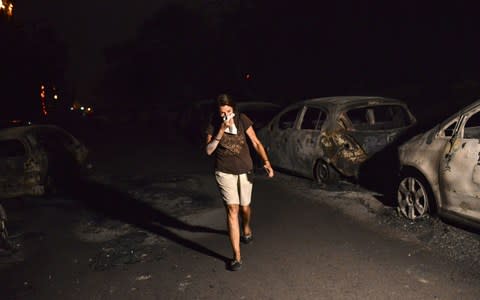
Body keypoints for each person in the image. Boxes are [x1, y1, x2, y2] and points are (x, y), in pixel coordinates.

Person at [205, 94, 274, 271]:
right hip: (224, 172)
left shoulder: (242, 119)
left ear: (234, 109)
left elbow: (256, 142)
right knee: (232, 209)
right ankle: (237, 257)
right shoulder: (214, 123)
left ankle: (246, 226)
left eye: (228, 111)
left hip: (245, 170)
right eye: (222, 112)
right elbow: (209, 151)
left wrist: (266, 161)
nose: (225, 115)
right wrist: (221, 130)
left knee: (245, 207)